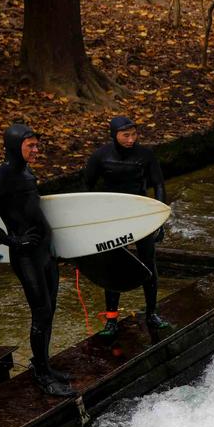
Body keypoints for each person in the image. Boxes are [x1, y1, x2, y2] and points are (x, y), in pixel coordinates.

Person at [0, 123, 73, 397]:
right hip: (26, 256)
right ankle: (41, 375)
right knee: (40, 312)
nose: (36, 150)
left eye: (37, 145)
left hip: (45, 252)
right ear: (14, 146)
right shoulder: (2, 176)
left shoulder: (26, 172)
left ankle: (43, 364)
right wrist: (12, 241)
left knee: (50, 309)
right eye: (31, 146)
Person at [81, 115, 169, 336]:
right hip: (112, 216)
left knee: (148, 261)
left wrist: (159, 217)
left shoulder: (145, 155)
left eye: (134, 134)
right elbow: (86, 187)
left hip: (139, 213)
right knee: (113, 264)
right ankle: (111, 320)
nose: (131, 139)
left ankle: (151, 313)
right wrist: (91, 217)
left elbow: (158, 184)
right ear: (114, 135)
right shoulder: (100, 156)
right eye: (125, 135)